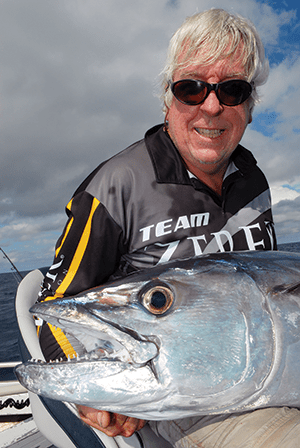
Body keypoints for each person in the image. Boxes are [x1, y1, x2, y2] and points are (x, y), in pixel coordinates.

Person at [37, 8, 300, 448]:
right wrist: (93, 396)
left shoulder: (253, 180)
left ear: (249, 108)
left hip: (267, 373)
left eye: (232, 90)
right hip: (192, 401)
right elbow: (56, 310)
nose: (212, 105)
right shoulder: (116, 187)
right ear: (167, 97)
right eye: (191, 88)